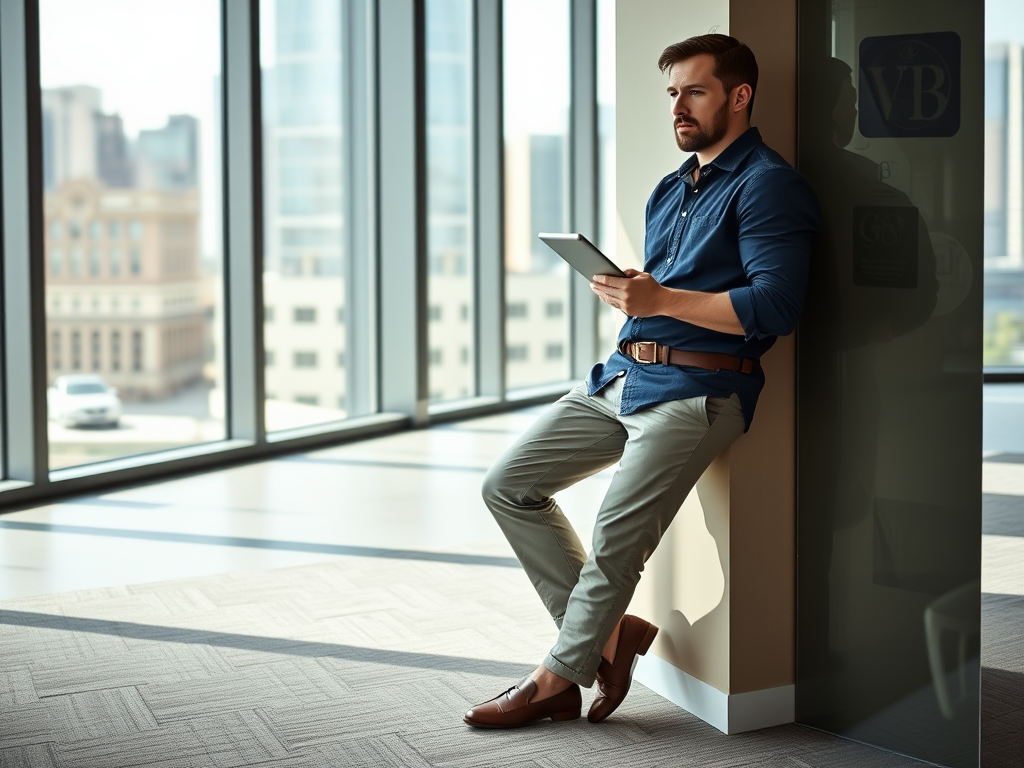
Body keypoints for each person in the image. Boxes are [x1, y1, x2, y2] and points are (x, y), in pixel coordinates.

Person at [464, 34, 819, 729]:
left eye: (694, 91)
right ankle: (610, 635)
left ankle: (554, 682)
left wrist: (660, 302)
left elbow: (777, 306)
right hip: (623, 375)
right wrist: (637, 294)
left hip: (699, 392)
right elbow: (675, 287)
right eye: (671, 94)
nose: (678, 108)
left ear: (738, 96)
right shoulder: (673, 188)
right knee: (507, 485)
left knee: (614, 541)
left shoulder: (769, 185)